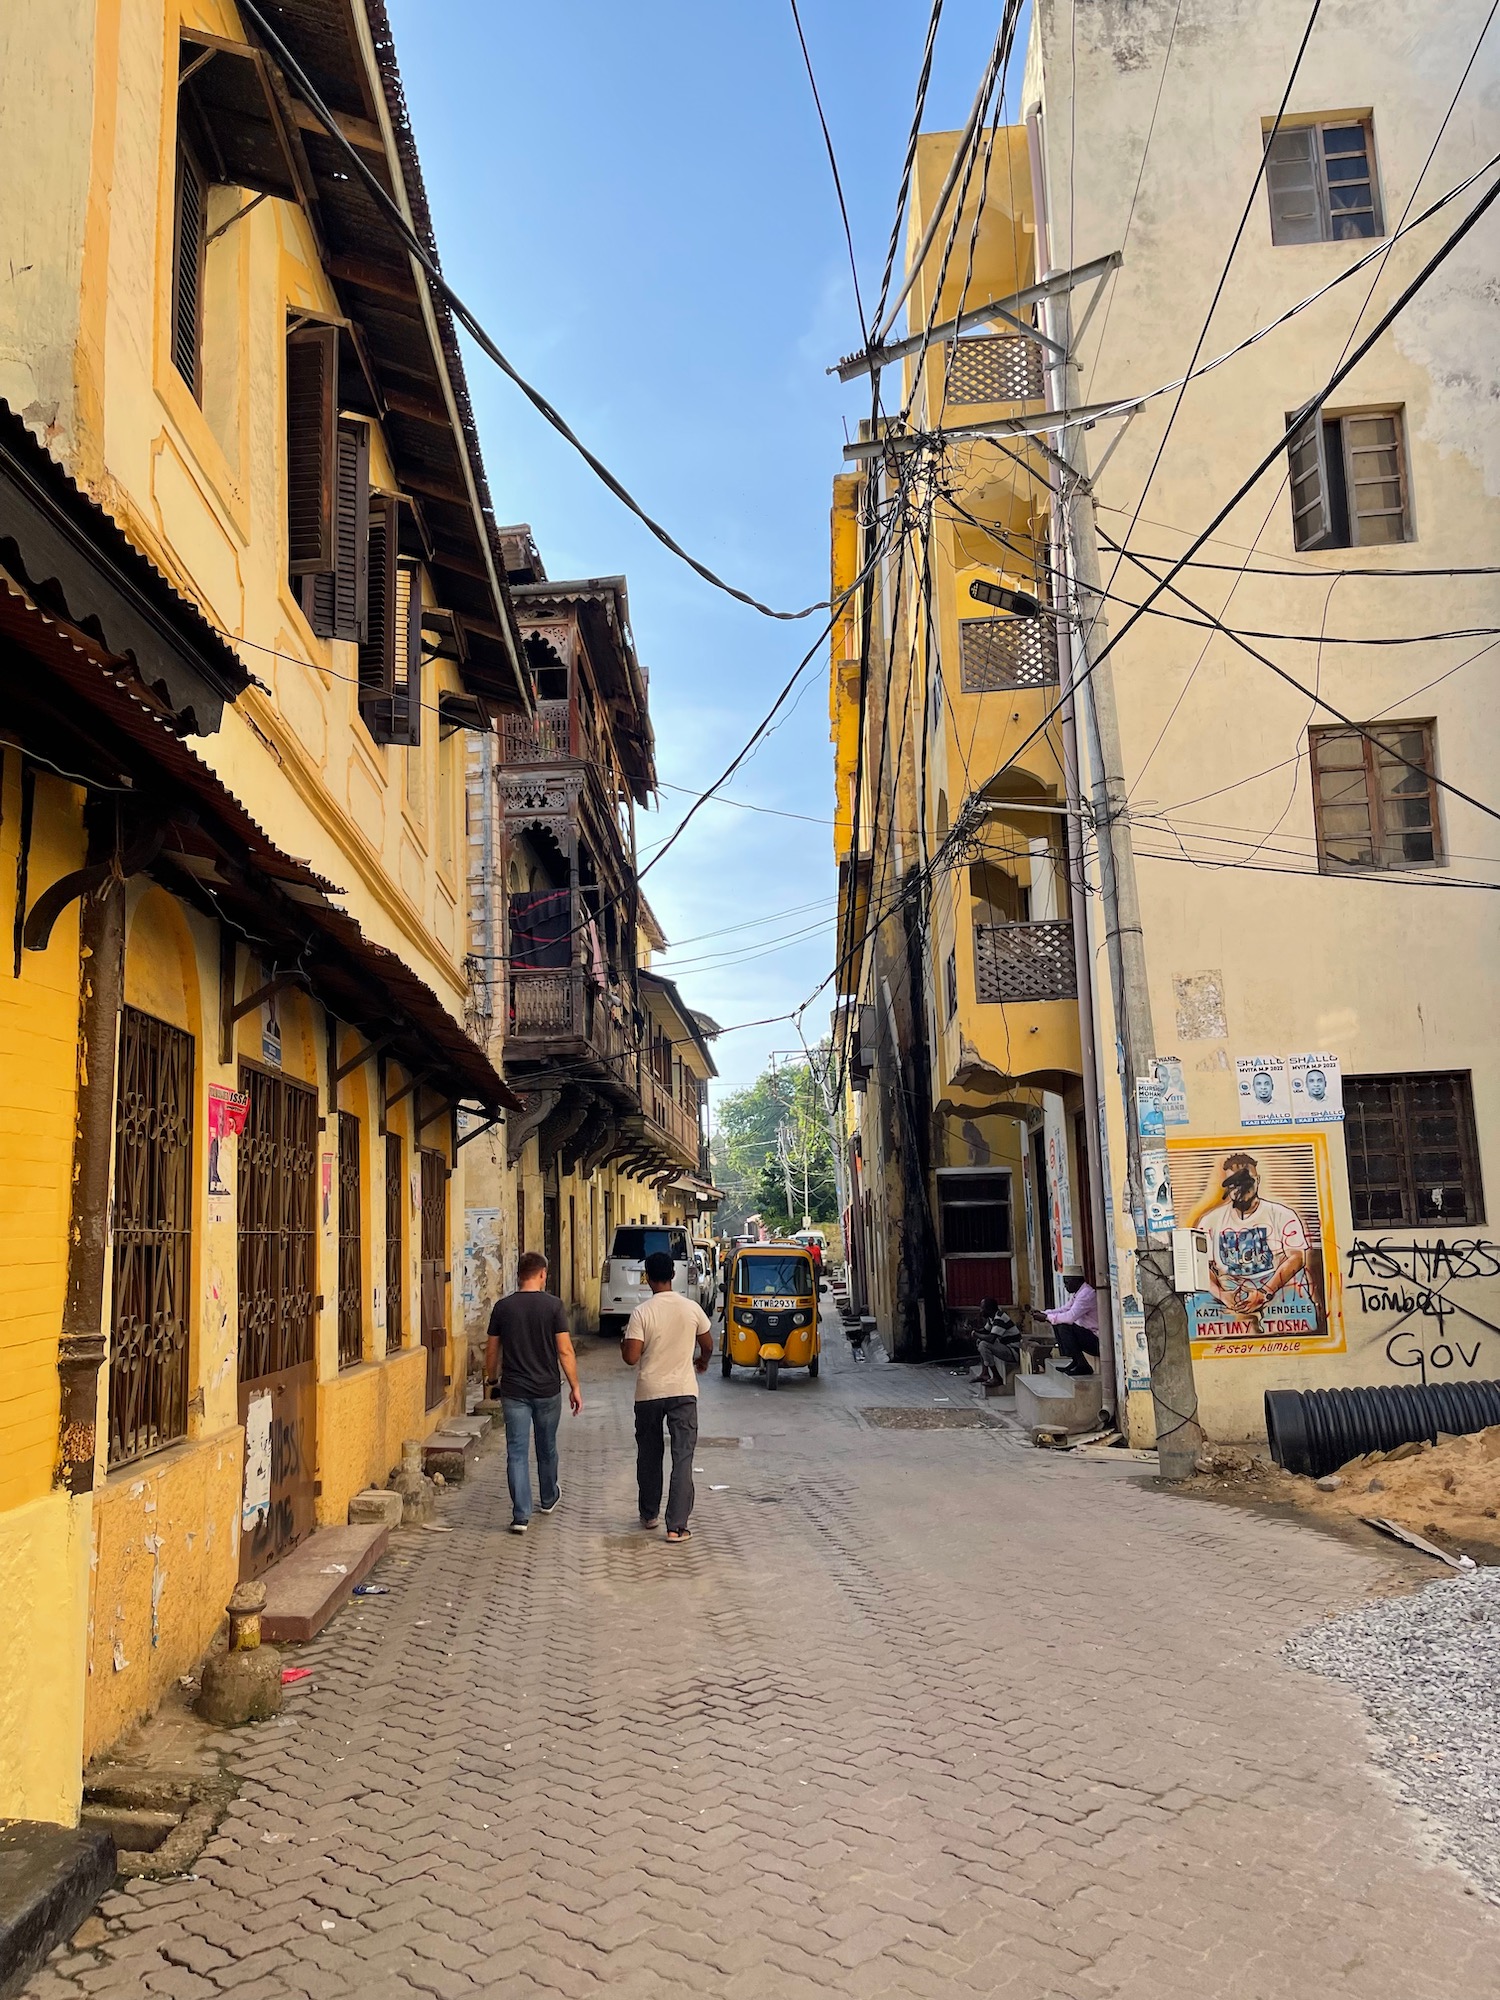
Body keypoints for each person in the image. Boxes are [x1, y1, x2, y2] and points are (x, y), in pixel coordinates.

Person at [485, 1250, 582, 1535]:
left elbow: (492, 1349)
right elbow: (565, 1350)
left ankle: (520, 1515)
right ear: (542, 1274)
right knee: (546, 1446)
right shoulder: (553, 1306)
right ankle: (549, 1497)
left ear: (519, 1275)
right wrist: (575, 1386)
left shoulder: (503, 1308)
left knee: (516, 1452)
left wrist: (491, 1379)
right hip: (547, 1389)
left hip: (514, 1390)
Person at [621, 1249, 713, 1543]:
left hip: (649, 1392)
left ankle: (649, 1514)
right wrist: (702, 1361)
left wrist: (625, 1343)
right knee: (682, 1457)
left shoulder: (642, 1312)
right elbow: (708, 1343)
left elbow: (631, 1357)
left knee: (649, 1454)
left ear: (647, 1278)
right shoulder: (691, 1308)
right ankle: (676, 1526)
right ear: (674, 1275)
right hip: (684, 1392)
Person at [1195, 1151, 1313, 1335]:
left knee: (1300, 1310)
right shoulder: (1210, 1221)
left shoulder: (1282, 1214)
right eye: (1234, 1183)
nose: (1240, 1188)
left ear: (1257, 1180)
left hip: (1274, 1283)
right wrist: (1221, 1294)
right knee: (1196, 1311)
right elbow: (1201, 1265)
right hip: (1230, 1286)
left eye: (1246, 1181)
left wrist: (1265, 1293)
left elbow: (1297, 1258)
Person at [1039, 1267, 1100, 1376]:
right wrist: (1044, 1313)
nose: (1065, 1286)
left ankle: (1082, 1365)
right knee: (1058, 1323)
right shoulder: (1078, 1294)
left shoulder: (1086, 1294)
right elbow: (1064, 1309)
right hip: (1088, 1335)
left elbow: (1070, 1317)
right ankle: (1076, 1361)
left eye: (1067, 1282)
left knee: (1063, 1325)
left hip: (1097, 1340)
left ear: (1076, 1281)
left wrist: (1047, 1318)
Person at [973, 1297, 1022, 1387]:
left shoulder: (1000, 1318)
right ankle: (985, 1373)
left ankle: (997, 1377)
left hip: (1013, 1351)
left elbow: (991, 1338)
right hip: (1005, 1348)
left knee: (984, 1344)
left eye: (982, 1308)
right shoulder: (992, 1318)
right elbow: (985, 1331)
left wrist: (976, 1334)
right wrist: (972, 1330)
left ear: (989, 1309)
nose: (981, 1311)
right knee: (980, 1341)